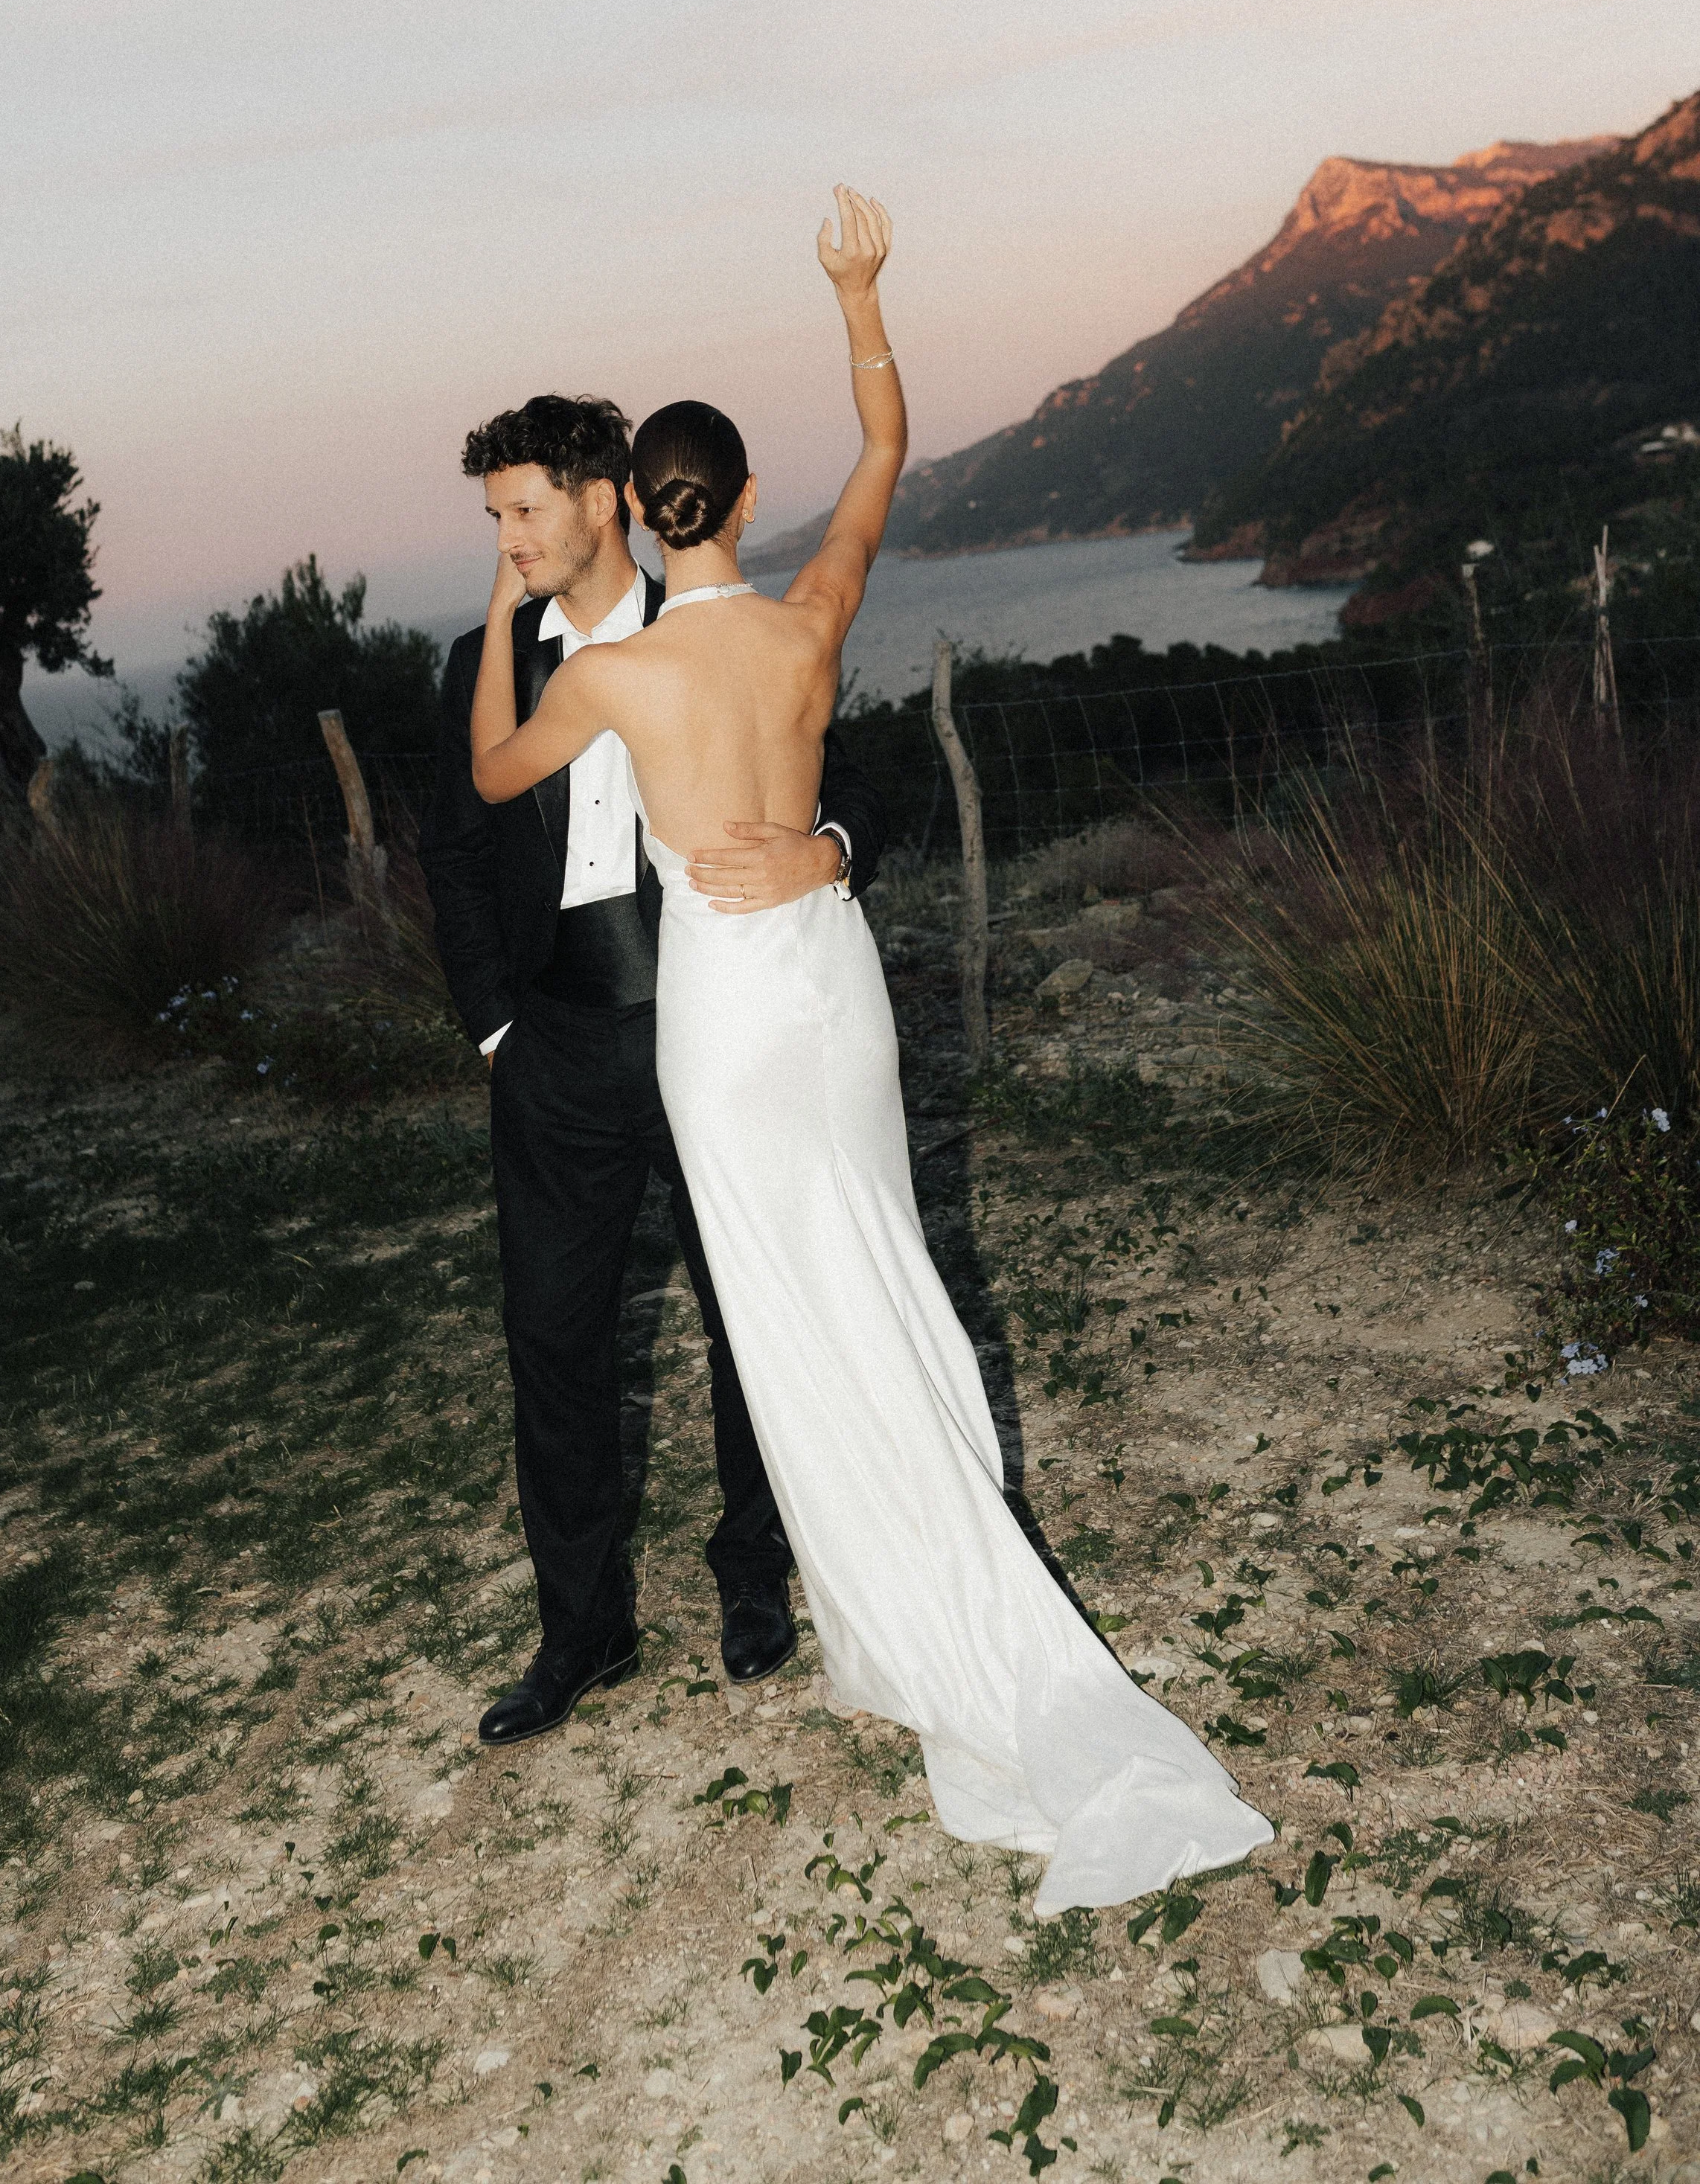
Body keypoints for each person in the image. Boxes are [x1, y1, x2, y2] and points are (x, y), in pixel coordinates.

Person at [467, 190, 1274, 1910]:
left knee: (778, 1292)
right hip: (827, 989)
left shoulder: (615, 684)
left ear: (633, 507)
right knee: (868, 1258)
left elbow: (484, 782)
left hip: (721, 1008)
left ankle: (870, 1581)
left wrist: (505, 636)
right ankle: (912, 1554)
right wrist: (856, 291)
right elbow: (888, 443)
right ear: (744, 503)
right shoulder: (814, 616)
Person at [421, 392, 888, 1746]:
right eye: (493, 514)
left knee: (749, 1307)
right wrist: (497, 1028)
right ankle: (584, 1629)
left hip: (709, 1021)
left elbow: (843, 772)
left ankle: (754, 1573)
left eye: (523, 510)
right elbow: (453, 848)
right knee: (551, 1340)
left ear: (603, 500)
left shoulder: (713, 626)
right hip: (552, 1046)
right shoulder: (484, 660)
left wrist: (831, 849)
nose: (505, 539)